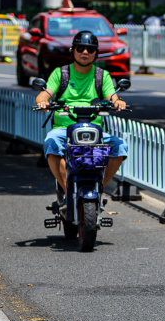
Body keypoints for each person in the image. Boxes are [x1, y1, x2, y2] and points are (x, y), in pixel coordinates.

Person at [35, 30, 128, 199]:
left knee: (120, 146)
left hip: (94, 130)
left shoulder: (102, 75)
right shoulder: (60, 73)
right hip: (64, 129)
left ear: (96, 53)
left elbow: (111, 96)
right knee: (51, 142)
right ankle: (66, 190)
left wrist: (117, 101)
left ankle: (99, 188)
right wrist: (42, 101)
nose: (85, 52)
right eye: (80, 48)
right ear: (73, 50)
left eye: (90, 49)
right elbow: (44, 94)